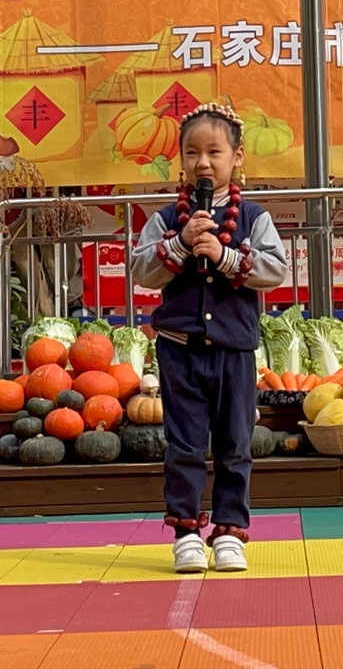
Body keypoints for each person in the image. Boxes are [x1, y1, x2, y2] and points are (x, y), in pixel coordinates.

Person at [129, 102, 289, 575]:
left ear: (237, 157)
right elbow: (142, 271)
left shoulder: (254, 218)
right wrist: (180, 245)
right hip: (178, 349)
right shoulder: (165, 219)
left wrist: (224, 255)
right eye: (192, 152)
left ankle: (230, 531)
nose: (203, 163)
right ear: (180, 160)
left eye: (215, 152)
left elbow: (275, 269)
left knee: (236, 444)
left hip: (234, 350)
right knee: (184, 445)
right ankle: (185, 534)